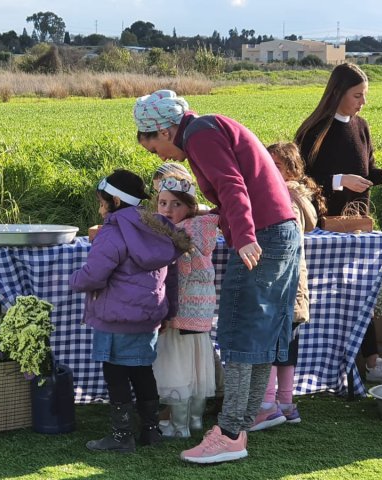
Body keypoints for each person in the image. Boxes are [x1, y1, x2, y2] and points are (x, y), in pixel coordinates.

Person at [133, 89, 300, 464]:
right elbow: (233, 191)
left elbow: (231, 185)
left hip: (262, 233)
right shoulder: (207, 129)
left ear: (164, 131)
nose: (160, 156)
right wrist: (217, 216)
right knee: (261, 334)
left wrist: (244, 236)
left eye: (154, 148)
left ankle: (229, 435)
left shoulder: (199, 135)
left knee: (239, 331)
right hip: (282, 230)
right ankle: (244, 422)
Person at [295, 63, 382, 383]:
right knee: (318, 295)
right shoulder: (313, 131)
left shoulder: (362, 127)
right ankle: (318, 365)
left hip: (357, 225)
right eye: (357, 95)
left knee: (361, 291)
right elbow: (300, 179)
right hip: (319, 226)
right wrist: (339, 180)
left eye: (365, 95)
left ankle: (371, 363)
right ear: (337, 93)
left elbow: (368, 173)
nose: (363, 102)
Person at [69, 169, 191, 453]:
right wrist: (168, 311)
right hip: (148, 317)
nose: (100, 209)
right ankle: (150, 431)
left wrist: (74, 280)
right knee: (142, 371)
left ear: (115, 201)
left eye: (102, 203)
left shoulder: (112, 233)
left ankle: (122, 436)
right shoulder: (158, 228)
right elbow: (171, 277)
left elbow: (94, 275)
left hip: (115, 318)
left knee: (115, 374)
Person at [247, 142, 326, 431]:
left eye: (276, 166)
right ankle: (286, 403)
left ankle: (267, 405)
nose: (269, 170)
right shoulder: (298, 196)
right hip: (294, 284)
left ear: (291, 170)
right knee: (287, 346)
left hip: (280, 281)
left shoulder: (282, 196)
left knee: (269, 343)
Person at [152, 171, 221, 439]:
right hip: (200, 315)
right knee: (196, 371)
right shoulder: (201, 230)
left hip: (179, 314)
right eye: (163, 203)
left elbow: (172, 276)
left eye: (176, 204)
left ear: (190, 207)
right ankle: (194, 421)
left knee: (176, 370)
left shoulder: (176, 236)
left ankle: (178, 427)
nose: (167, 210)